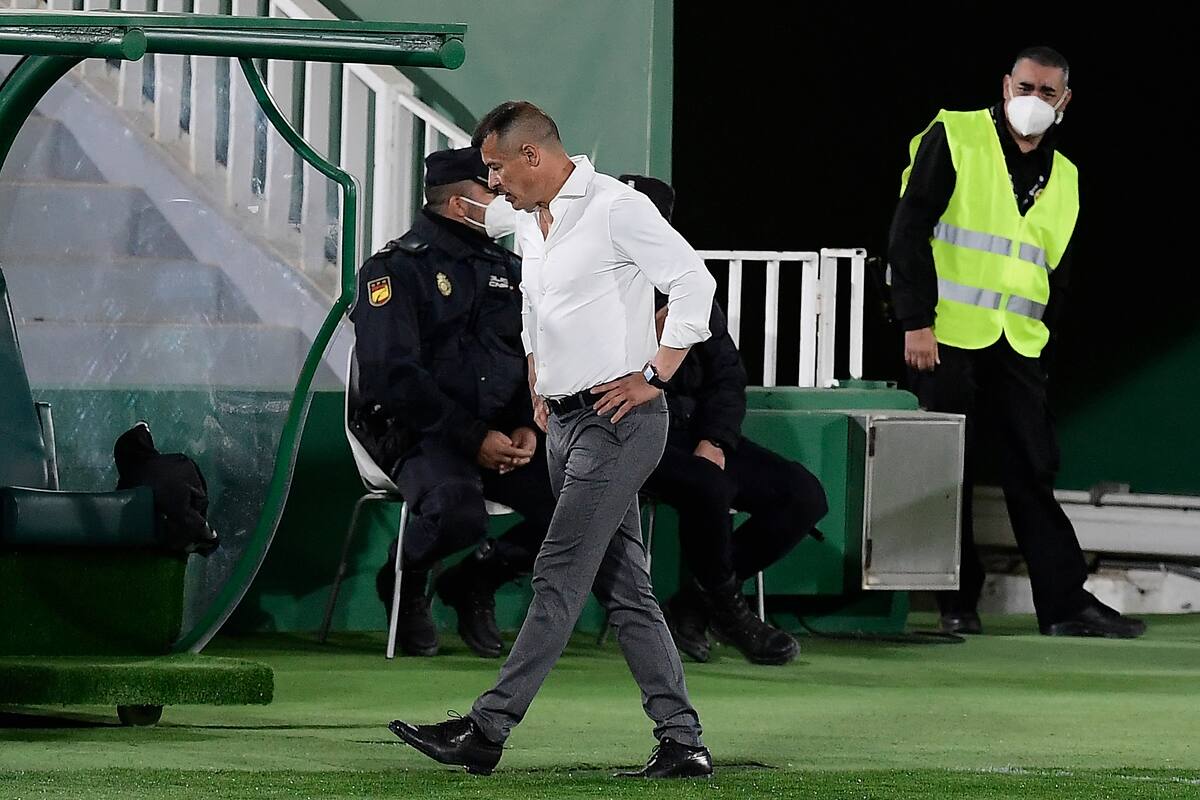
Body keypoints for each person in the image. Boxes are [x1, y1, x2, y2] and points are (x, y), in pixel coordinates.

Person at [389, 101, 717, 779]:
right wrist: (539, 369)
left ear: (532, 157)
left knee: (559, 574)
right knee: (626, 588)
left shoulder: (617, 208)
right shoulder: (526, 216)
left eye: (497, 168)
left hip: (620, 423)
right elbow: (536, 297)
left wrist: (656, 374)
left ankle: (487, 729)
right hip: (564, 422)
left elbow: (694, 283)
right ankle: (682, 741)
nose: (492, 183)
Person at [888, 46, 1145, 639]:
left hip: (1019, 344)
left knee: (1033, 467)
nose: (1033, 101)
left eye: (1046, 93)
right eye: (1024, 87)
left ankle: (1063, 603)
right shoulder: (955, 134)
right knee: (947, 466)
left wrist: (1043, 348)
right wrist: (913, 320)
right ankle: (956, 601)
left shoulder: (1068, 177)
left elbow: (1057, 275)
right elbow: (908, 230)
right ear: (1006, 86)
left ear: (1065, 101)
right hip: (945, 334)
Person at [349, 146, 556, 658]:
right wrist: (471, 437)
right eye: (493, 189)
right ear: (462, 205)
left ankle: (476, 578)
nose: (506, 196)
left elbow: (521, 354)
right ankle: (406, 577)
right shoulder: (394, 270)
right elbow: (393, 376)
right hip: (416, 430)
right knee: (458, 511)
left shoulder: (511, 268)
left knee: (577, 509)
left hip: (494, 431)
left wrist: (525, 424)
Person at [620, 174, 829, 666]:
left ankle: (694, 603)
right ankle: (731, 614)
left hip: (694, 432)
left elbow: (727, 378)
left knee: (802, 496)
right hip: (631, 432)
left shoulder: (686, 284)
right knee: (709, 489)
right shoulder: (590, 284)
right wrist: (640, 340)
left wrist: (715, 439)